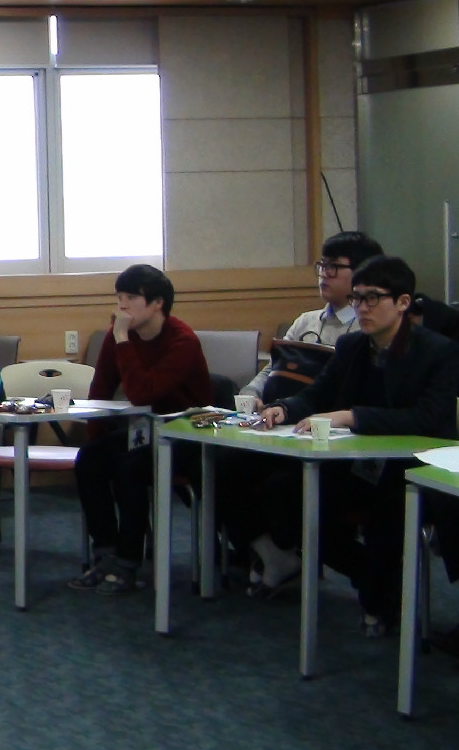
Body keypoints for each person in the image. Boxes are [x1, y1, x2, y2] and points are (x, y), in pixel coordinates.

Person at [240, 256, 459, 635]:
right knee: (285, 490)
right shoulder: (352, 345)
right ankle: (370, 577)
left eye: (373, 298)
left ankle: (379, 597)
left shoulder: (437, 351)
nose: (362, 308)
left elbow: (427, 418)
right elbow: (317, 395)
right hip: (358, 462)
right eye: (357, 298)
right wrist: (284, 408)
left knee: (387, 511)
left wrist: (352, 416)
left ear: (403, 303)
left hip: (412, 469)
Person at [68, 264, 211, 595]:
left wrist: (122, 340)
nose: (122, 305)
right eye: (119, 296)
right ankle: (106, 552)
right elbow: (101, 389)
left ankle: (128, 562)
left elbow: (142, 392)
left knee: (130, 466)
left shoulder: (182, 340)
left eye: (131, 297)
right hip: (146, 430)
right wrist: (98, 441)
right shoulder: (118, 336)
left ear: (157, 303)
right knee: (90, 458)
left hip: (188, 434)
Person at [241, 231, 384, 403]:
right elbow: (273, 368)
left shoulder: (369, 327)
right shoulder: (306, 321)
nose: (324, 273)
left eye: (333, 267)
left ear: (362, 273)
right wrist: (251, 394)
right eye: (322, 265)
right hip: (287, 411)